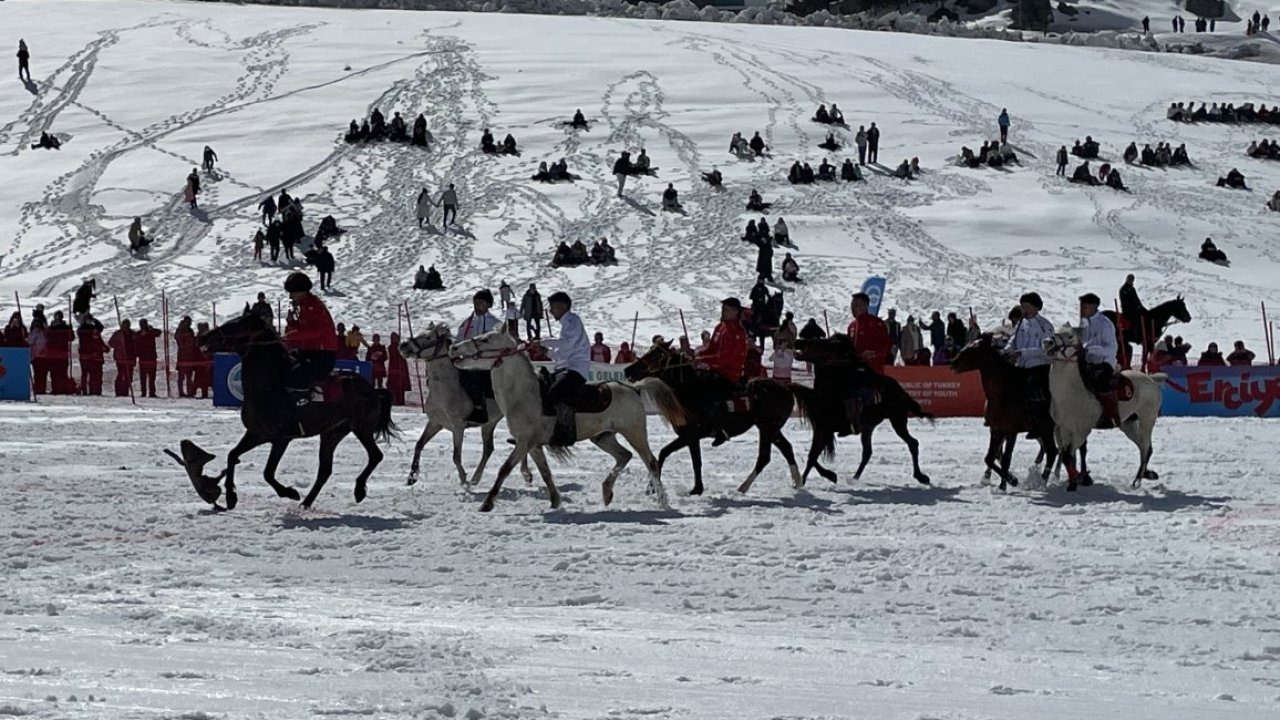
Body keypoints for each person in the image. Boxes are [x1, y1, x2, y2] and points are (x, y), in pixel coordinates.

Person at [535, 292, 591, 446]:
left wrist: (542, 342)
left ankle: (567, 434)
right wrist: (545, 351)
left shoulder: (572, 321)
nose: (551, 311)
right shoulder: (567, 325)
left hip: (576, 369)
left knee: (555, 393)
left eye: (552, 307)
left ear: (562, 306)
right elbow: (560, 356)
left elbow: (565, 344)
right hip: (565, 368)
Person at [695, 297, 750, 445]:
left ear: (735, 312)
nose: (723, 312)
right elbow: (712, 348)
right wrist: (696, 355)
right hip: (715, 369)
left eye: (726, 309)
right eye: (723, 309)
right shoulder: (720, 327)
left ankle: (722, 428)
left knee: (711, 392)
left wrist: (703, 360)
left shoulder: (738, 331)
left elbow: (725, 357)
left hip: (729, 373)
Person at [1003, 292, 1055, 438]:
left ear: (1036, 307)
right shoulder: (1020, 324)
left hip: (1039, 366)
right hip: (1021, 366)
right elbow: (1012, 340)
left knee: (1034, 387)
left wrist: (1022, 353)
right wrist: (1006, 351)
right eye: (1022, 307)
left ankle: (1040, 422)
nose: (1024, 310)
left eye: (1026, 307)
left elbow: (1046, 350)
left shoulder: (1045, 326)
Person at [283, 272, 337, 403]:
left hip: (322, 354)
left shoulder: (313, 306)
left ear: (301, 291)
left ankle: (304, 403)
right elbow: (304, 330)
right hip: (310, 351)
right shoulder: (304, 305)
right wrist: (292, 323)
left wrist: (290, 336)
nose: (290, 296)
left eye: (292, 292)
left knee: (297, 376)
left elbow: (315, 332)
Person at [843, 292, 892, 432]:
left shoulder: (876, 323)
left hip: (872, 370)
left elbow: (887, 345)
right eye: (852, 305)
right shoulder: (852, 326)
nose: (853, 308)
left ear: (865, 306)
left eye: (856, 305)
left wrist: (874, 354)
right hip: (855, 369)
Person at [1079, 293, 1121, 426]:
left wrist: (1090, 349)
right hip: (1088, 362)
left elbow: (1111, 348)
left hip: (1104, 363)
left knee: (1100, 380)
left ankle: (1110, 416)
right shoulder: (1084, 323)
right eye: (1081, 306)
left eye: (1085, 307)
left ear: (1094, 307)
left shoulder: (1105, 324)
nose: (1082, 310)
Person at [77, 314, 108, 396]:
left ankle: (92, 390)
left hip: (91, 356)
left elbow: (100, 327)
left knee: (92, 374)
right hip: (85, 354)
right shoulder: (82, 329)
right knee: (85, 374)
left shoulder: (93, 329)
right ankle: (84, 390)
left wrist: (95, 320)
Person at [175, 316, 199, 398]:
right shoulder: (180, 331)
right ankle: (181, 392)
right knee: (181, 377)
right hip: (182, 356)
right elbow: (179, 341)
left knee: (189, 376)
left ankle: (190, 392)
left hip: (190, 357)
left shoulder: (190, 331)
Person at [386, 332, 411, 406]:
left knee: (401, 384)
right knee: (393, 385)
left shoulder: (400, 346)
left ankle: (401, 400)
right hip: (394, 366)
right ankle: (394, 400)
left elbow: (404, 354)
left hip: (401, 366)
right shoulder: (391, 347)